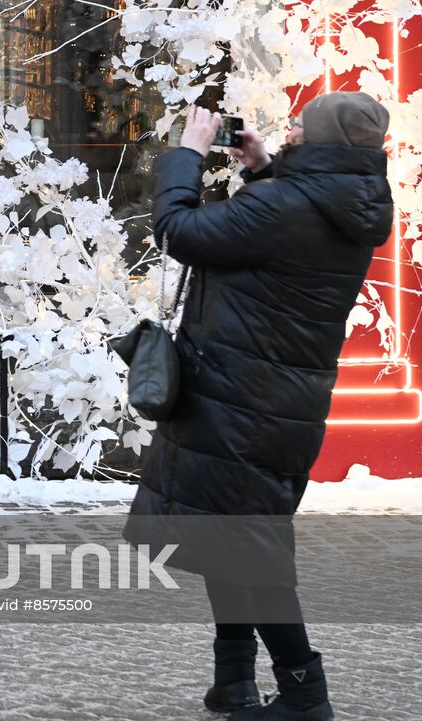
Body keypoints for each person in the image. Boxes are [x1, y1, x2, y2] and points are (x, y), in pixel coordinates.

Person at [125, 95, 393, 721]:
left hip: (240, 398)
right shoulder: (342, 203)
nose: (292, 126)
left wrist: (188, 153)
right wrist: (264, 169)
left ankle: (304, 694)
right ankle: (235, 683)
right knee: (229, 533)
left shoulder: (285, 207)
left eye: (305, 123)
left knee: (248, 543)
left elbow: (180, 231)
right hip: (272, 399)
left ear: (326, 141)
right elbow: (284, 237)